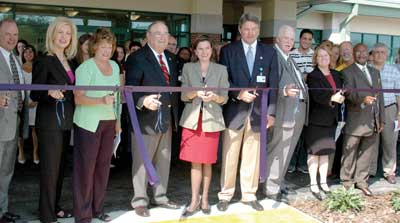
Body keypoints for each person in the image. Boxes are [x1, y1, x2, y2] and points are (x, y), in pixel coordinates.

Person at [217, 13, 278, 212]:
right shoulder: (228, 50)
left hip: (259, 113)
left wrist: (272, 112)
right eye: (246, 29)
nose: (250, 32)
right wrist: (239, 93)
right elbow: (223, 80)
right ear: (240, 30)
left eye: (254, 29)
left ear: (258, 31)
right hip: (235, 111)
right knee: (230, 155)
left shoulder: (269, 52)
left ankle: (248, 195)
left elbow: (273, 85)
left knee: (252, 156)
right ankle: (225, 194)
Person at [125, 21, 180, 217]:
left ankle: (161, 196)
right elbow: (129, 88)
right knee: (141, 162)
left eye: (166, 33)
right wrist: (143, 100)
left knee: (163, 160)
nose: (163, 37)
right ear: (148, 36)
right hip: (145, 119)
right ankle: (140, 200)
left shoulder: (172, 59)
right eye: (158, 33)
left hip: (166, 117)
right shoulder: (137, 58)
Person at [31, 16, 77, 222]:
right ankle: (46, 214)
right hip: (49, 123)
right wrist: (48, 91)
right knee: (50, 171)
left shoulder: (71, 60)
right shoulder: (44, 59)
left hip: (66, 121)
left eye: (68, 33)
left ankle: (55, 206)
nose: (64, 37)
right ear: (52, 34)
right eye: (60, 32)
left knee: (59, 170)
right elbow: (34, 93)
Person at [73, 27, 121, 223]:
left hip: (109, 122)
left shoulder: (115, 67)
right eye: (102, 46)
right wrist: (101, 101)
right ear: (94, 47)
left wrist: (118, 121)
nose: (106, 50)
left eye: (109, 46)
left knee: (103, 168)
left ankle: (97, 209)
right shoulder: (85, 68)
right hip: (88, 124)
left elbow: (117, 97)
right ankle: (83, 215)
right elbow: (78, 98)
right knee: (85, 170)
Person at [179, 36, 229, 217]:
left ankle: (205, 198)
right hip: (192, 121)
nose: (204, 52)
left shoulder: (221, 69)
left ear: (212, 50)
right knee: (195, 163)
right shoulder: (187, 68)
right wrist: (195, 93)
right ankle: (194, 200)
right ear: (195, 51)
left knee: (207, 162)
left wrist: (214, 97)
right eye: (200, 49)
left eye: (207, 48)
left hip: (212, 120)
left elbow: (225, 97)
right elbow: (183, 96)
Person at [264, 25, 309, 202]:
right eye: (286, 38)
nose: (289, 42)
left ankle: (279, 181)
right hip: (283, 110)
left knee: (287, 150)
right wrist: (283, 90)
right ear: (277, 39)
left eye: (291, 39)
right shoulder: (274, 56)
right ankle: (270, 186)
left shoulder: (289, 58)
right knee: (277, 149)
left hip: (296, 111)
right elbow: (272, 82)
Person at [340, 43, 385, 196]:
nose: (361, 55)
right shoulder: (347, 72)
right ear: (354, 54)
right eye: (358, 52)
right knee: (350, 151)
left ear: (368, 54)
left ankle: (362, 182)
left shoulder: (374, 72)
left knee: (367, 153)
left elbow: (381, 97)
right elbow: (348, 94)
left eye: (364, 52)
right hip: (355, 118)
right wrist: (362, 100)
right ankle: (346, 182)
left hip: (373, 119)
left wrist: (382, 119)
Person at [304, 46, 344, 200]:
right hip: (317, 120)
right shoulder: (313, 75)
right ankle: (313, 183)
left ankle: (323, 182)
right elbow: (317, 96)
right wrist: (332, 98)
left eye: (326, 55)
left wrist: (341, 96)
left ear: (330, 57)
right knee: (314, 153)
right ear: (315, 59)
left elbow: (341, 91)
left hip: (331, 119)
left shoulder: (336, 74)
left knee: (326, 152)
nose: (323, 58)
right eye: (320, 56)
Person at [0, 18, 29, 223]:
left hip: (14, 123)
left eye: (15, 35)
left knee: (6, 172)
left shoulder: (15, 59)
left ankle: (2, 210)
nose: (12, 38)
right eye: (7, 34)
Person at [370, 42, 400, 184]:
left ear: (387, 54)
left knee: (390, 141)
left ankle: (389, 171)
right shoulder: (367, 70)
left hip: (389, 109)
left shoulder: (394, 70)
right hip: (371, 110)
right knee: (371, 141)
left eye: (383, 52)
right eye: (377, 52)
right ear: (372, 54)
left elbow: (398, 94)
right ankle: (370, 170)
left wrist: (399, 114)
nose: (380, 55)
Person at [287, 28, 314, 174]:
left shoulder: (314, 56)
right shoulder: (292, 54)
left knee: (306, 133)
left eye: (310, 39)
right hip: (294, 98)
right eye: (305, 38)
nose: (307, 41)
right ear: (300, 39)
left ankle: (301, 163)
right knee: (293, 132)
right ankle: (290, 162)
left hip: (310, 99)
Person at [18, 44, 39, 165]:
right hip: (23, 101)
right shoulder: (19, 68)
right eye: (26, 52)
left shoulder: (38, 67)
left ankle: (35, 152)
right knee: (21, 129)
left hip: (35, 102)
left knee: (35, 129)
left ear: (34, 54)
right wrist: (23, 102)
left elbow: (41, 86)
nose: (28, 54)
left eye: (31, 52)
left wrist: (36, 100)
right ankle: (21, 151)